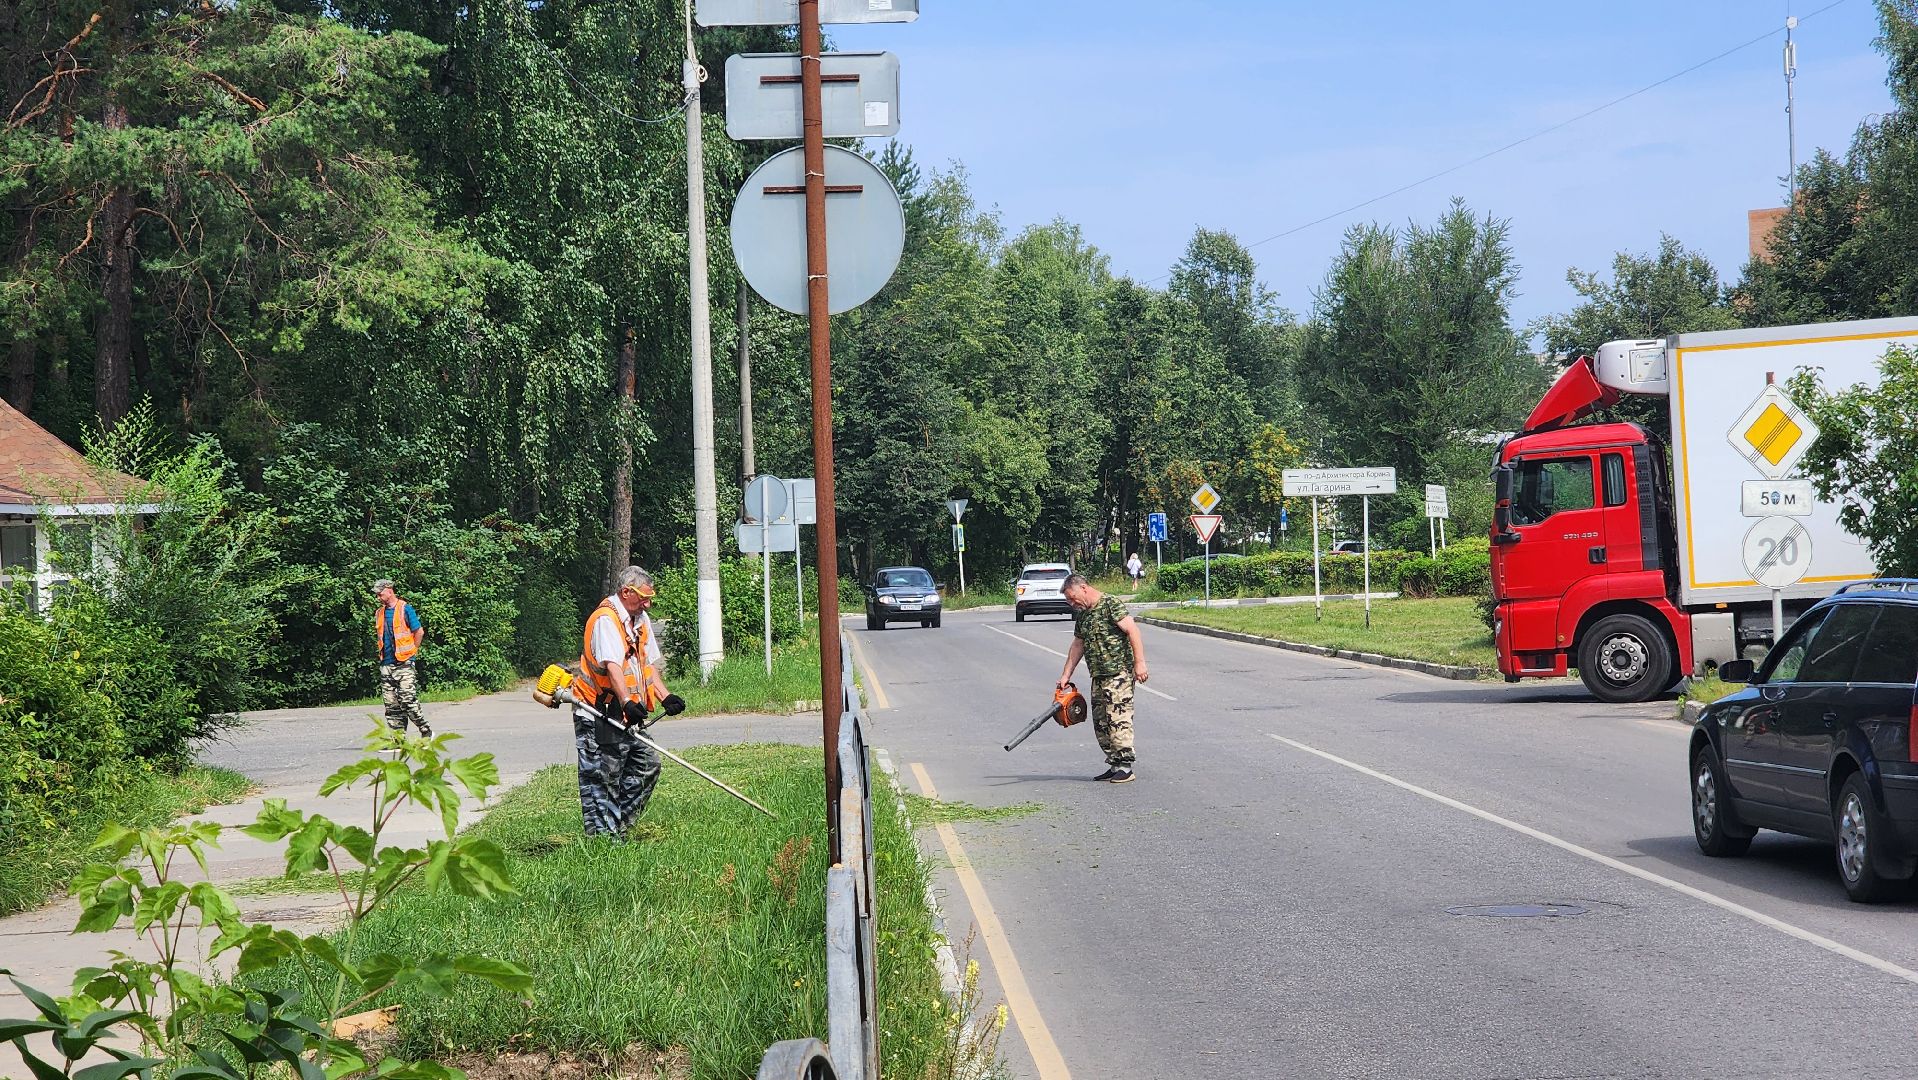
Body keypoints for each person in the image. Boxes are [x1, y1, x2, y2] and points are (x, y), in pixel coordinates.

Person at [576, 566, 685, 837]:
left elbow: (647, 664)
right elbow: (613, 666)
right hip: (597, 711)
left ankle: (621, 830)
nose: (648, 604)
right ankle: (603, 843)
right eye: (643, 598)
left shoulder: (640, 619)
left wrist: (665, 696)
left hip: (627, 712)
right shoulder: (606, 620)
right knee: (604, 776)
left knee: (647, 764)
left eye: (650, 598)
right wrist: (626, 701)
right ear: (626, 592)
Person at [1056, 573, 1149, 783]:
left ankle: (1125, 767)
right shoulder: (1084, 615)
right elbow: (1078, 645)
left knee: (1118, 719)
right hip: (1098, 675)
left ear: (1084, 588)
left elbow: (1132, 630)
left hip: (1119, 673)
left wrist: (1140, 663)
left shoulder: (1110, 604)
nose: (1072, 603)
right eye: (1068, 600)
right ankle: (1115, 763)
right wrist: (1065, 675)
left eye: (1072, 598)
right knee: (1101, 721)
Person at [373, 579, 429, 738]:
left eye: (380, 594)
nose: (378, 597)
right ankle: (398, 739)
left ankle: (425, 730)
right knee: (391, 704)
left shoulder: (405, 609)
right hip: (386, 663)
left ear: (389, 591)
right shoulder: (379, 613)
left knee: (407, 700)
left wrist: (413, 651)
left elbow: (419, 632)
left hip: (404, 662)